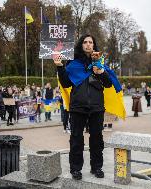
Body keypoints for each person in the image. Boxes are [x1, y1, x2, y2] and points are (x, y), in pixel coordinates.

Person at [54, 34, 112, 180]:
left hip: (97, 107)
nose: (88, 44)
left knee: (97, 139)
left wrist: (101, 72)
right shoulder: (73, 63)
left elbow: (108, 84)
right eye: (85, 42)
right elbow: (66, 83)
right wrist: (60, 67)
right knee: (76, 139)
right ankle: (75, 169)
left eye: (90, 42)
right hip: (77, 107)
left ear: (94, 45)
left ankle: (97, 167)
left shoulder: (100, 62)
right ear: (81, 45)